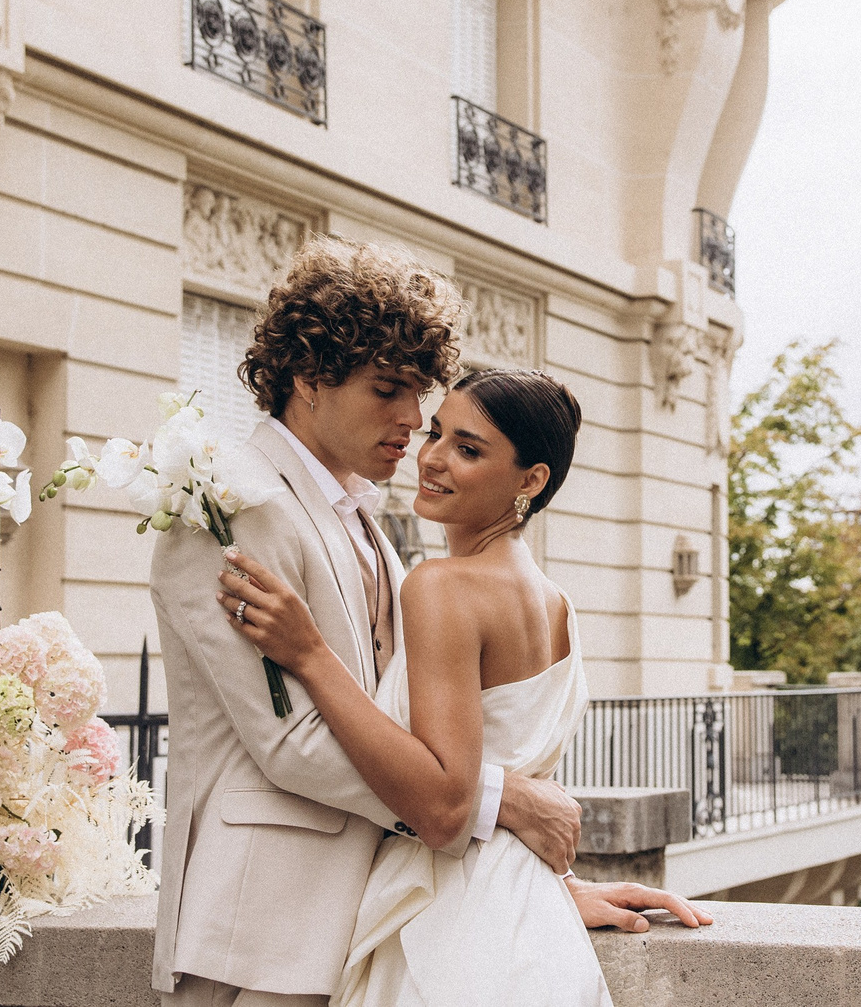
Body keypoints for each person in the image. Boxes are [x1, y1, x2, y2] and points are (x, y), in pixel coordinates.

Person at [149, 239, 696, 1005]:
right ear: (309, 377)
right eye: (388, 390)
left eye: (424, 399)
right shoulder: (232, 507)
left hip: (374, 914)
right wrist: (500, 803)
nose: (413, 422)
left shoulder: (373, 527)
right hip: (260, 926)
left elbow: (425, 723)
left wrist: (540, 883)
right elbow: (291, 741)